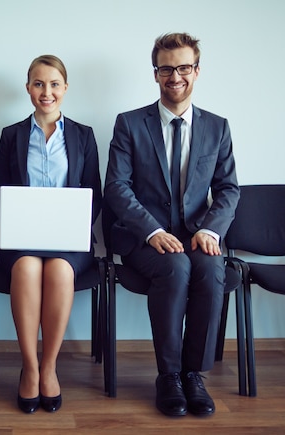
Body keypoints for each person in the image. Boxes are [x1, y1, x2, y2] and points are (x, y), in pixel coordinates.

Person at [104, 33, 239, 417]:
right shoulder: (130, 124)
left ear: (196, 71)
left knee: (212, 267)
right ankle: (168, 376)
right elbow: (116, 186)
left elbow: (228, 188)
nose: (174, 76)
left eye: (183, 68)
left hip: (197, 234)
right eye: (166, 69)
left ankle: (192, 374)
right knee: (175, 266)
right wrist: (152, 230)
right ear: (156, 74)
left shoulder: (217, 127)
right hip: (142, 238)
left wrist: (210, 230)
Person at [0, 55, 102, 413]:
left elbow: (94, 192)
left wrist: (73, 222)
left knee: (60, 270)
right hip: (20, 239)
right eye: (38, 84)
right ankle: (30, 367)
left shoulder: (84, 135)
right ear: (28, 89)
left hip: (70, 241)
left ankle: (49, 366)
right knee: (27, 268)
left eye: (53, 84)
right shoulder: (11, 135)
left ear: (65, 88)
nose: (46, 92)